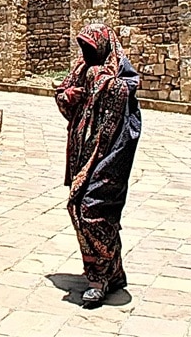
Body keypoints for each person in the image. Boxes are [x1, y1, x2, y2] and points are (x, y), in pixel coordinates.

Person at [54, 22, 142, 308]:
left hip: (110, 157)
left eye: (92, 48)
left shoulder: (120, 75)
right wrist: (71, 96)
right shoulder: (81, 70)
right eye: (84, 48)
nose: (87, 53)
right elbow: (62, 95)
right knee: (79, 210)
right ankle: (111, 271)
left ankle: (98, 278)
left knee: (91, 209)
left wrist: (103, 83)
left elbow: (129, 111)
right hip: (82, 154)